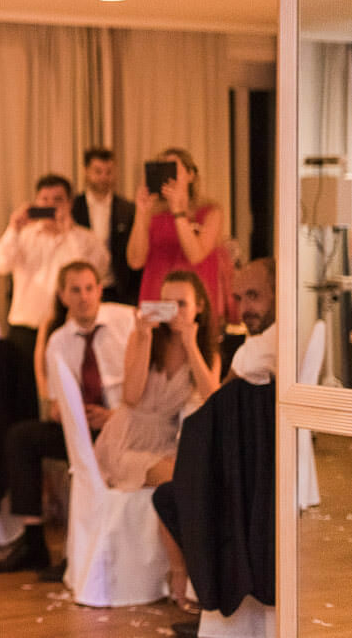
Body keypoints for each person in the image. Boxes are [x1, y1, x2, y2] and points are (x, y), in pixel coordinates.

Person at [0, 261, 132, 576]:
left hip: (125, 424)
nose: (84, 297)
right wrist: (73, 415)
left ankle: (81, 551)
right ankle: (33, 540)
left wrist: (112, 416)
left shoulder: (126, 322)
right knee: (20, 437)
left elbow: (146, 385)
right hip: (81, 428)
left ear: (99, 290)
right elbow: (56, 404)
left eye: (90, 288)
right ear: (63, 296)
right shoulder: (59, 341)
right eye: (75, 290)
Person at [153, 258, 276, 625]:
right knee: (179, 493)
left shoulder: (249, 349)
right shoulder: (257, 345)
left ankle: (205, 598)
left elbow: (216, 403)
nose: (245, 308)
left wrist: (190, 343)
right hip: (197, 447)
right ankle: (202, 597)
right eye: (239, 298)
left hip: (225, 457)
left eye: (253, 296)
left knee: (181, 494)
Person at [93, 270, 220, 492]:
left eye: (181, 304)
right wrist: (145, 339)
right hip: (126, 439)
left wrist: (191, 346)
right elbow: (130, 398)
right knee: (180, 480)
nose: (174, 313)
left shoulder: (207, 353)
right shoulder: (142, 338)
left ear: (198, 307)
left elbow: (213, 402)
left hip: (165, 443)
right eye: (167, 304)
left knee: (199, 477)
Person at [0, 174, 110, 362]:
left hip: (66, 327)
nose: (50, 205)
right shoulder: (23, 236)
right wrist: (13, 228)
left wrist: (67, 233)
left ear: (70, 203)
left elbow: (91, 273)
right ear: (36, 202)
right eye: (44, 199)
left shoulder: (86, 239)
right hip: (25, 329)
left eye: (58, 199)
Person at [126, 147, 225, 324]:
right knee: (157, 349)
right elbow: (135, 261)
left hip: (194, 301)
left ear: (191, 175)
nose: (168, 177)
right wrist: (141, 213)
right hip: (157, 297)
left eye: (173, 169)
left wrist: (179, 212)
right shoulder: (152, 214)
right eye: (162, 170)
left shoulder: (210, 212)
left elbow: (196, 255)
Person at [71, 147, 141, 305]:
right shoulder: (72, 208)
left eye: (108, 172)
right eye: (98, 171)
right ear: (86, 171)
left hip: (117, 289)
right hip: (80, 288)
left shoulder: (128, 209)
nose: (103, 177)